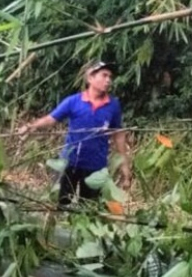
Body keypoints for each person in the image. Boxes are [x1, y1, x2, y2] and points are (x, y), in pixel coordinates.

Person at [17, 60, 131, 205]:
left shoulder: (113, 106)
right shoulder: (73, 102)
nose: (108, 80)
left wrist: (124, 166)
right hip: (69, 162)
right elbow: (51, 119)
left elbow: (118, 134)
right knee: (60, 204)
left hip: (96, 167)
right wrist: (31, 127)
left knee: (90, 209)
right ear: (90, 78)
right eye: (104, 75)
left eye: (110, 77)